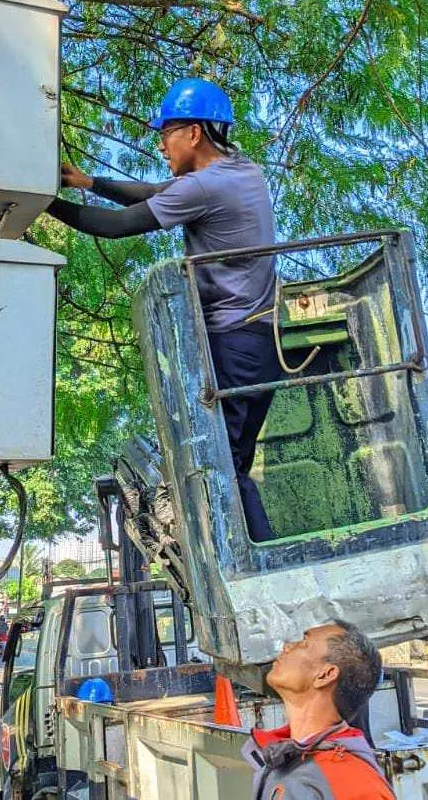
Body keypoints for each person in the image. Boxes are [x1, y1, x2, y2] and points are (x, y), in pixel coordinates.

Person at [46, 78, 281, 542]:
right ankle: (255, 559)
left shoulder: (207, 187)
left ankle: (261, 565)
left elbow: (116, 227)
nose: (160, 145)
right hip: (257, 341)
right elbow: (157, 192)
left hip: (233, 343)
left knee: (225, 471)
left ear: (194, 133)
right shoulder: (240, 170)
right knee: (231, 466)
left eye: (166, 133)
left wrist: (40, 202)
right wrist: (89, 182)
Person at [243, 620, 395, 799]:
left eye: (304, 643)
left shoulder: (352, 782)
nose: (287, 647)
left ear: (325, 675)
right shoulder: (283, 758)